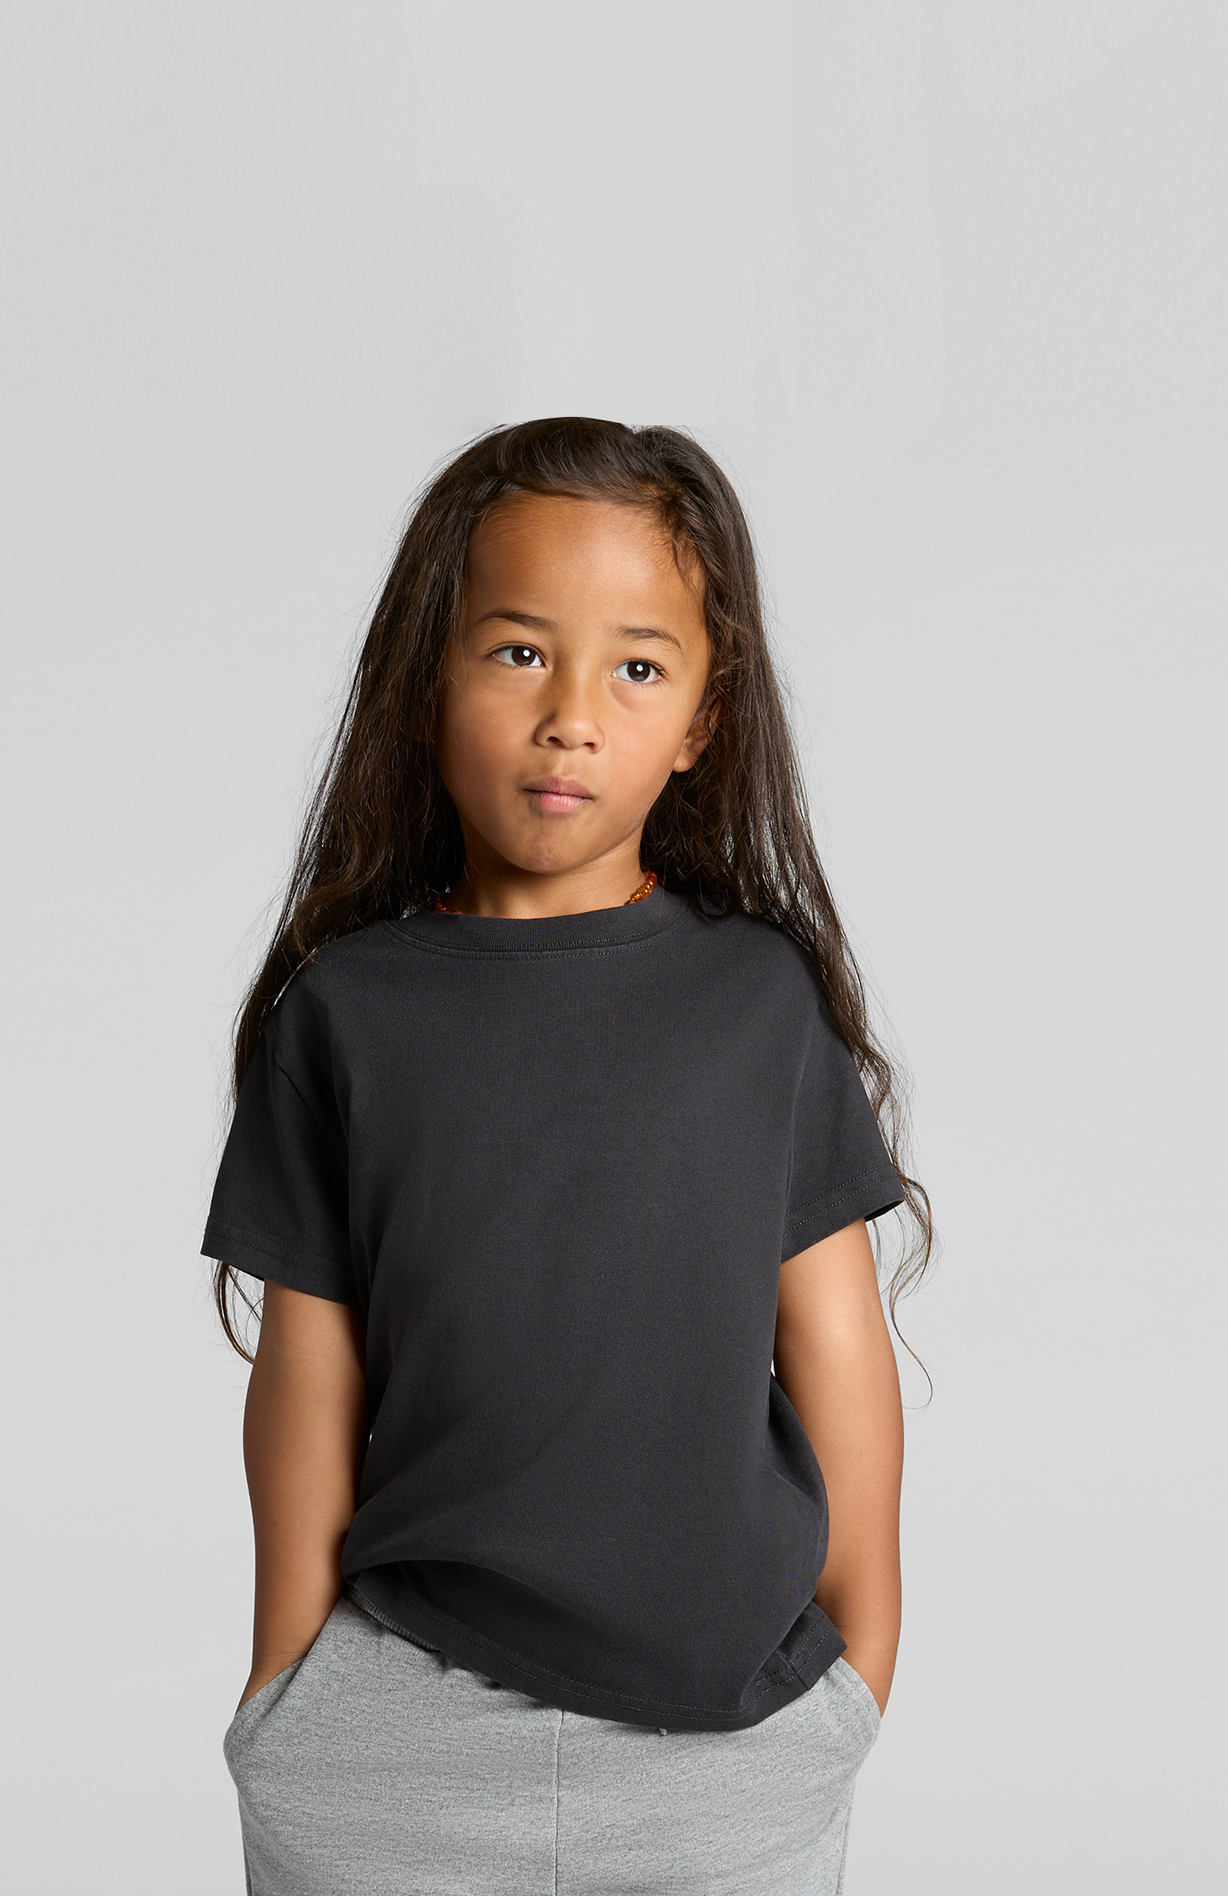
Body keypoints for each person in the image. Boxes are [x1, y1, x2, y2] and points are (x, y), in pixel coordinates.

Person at [201, 417, 932, 1894]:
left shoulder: (756, 1002)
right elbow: (307, 1380)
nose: (571, 719)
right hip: (394, 1744)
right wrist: (288, 1699)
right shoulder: (346, 1011)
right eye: (520, 652)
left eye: (637, 669)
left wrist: (857, 1676)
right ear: (430, 680)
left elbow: (838, 1347)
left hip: (729, 1755)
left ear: (706, 718)